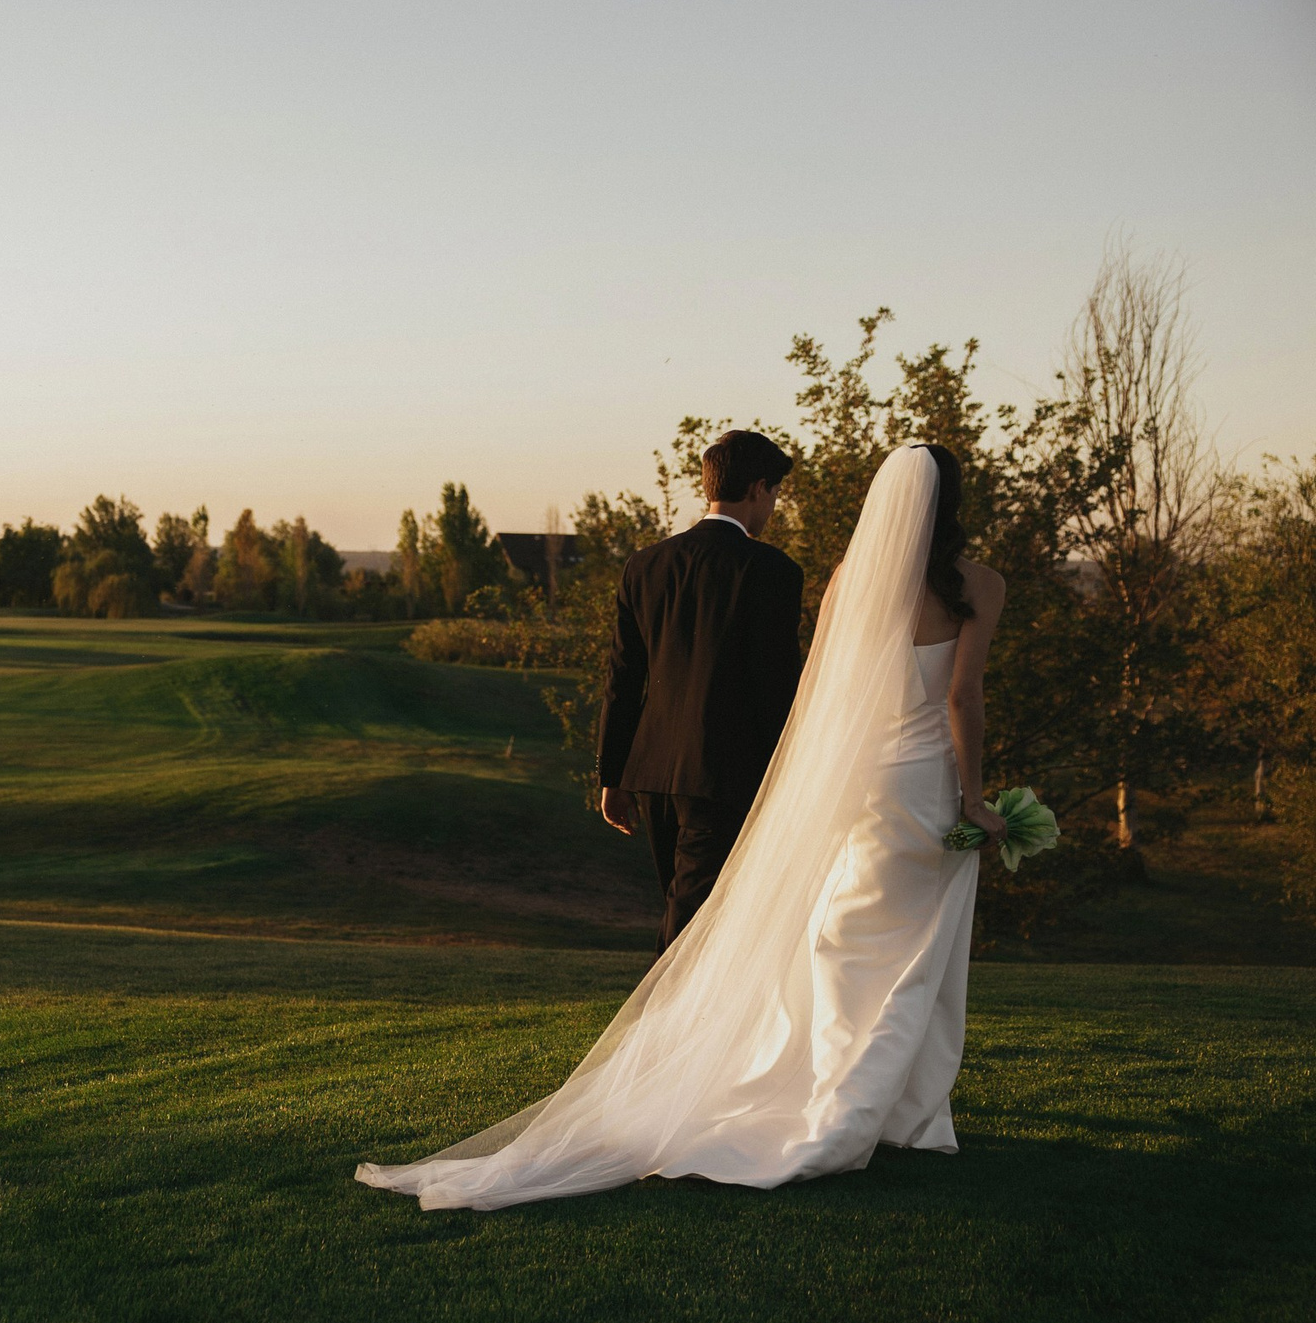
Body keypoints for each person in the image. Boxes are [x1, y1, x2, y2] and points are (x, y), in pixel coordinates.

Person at [357, 444, 1007, 1210]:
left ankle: (853, 1097)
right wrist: (975, 799)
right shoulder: (966, 584)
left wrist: (629, 772)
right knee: (903, 950)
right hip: (905, 785)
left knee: (834, 938)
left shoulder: (830, 579)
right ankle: (845, 1104)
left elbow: (787, 691)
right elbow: (954, 697)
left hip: (821, 784)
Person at [595, 429, 805, 952]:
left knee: (685, 905)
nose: (773, 507)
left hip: (653, 772)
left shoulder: (644, 564)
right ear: (757, 488)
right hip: (725, 774)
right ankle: (659, 1007)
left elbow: (623, 677)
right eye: (775, 493)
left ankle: (683, 1004)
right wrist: (790, 772)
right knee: (694, 918)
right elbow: (777, 683)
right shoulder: (773, 571)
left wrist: (612, 775)